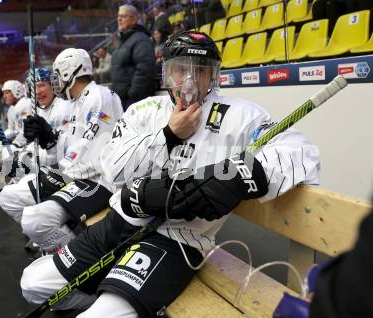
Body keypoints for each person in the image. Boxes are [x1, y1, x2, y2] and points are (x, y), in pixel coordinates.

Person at [19, 31, 320, 317]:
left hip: (176, 239)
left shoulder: (238, 114)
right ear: (166, 72)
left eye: (200, 70)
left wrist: (239, 176)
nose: (189, 80)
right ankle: (106, 298)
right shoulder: (144, 110)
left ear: (213, 75)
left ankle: (118, 302)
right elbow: (113, 168)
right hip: (119, 222)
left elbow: (298, 151)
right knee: (33, 283)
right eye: (180, 70)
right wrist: (168, 135)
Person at [0, 48, 123, 255]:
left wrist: (58, 170)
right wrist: (49, 137)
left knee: (31, 217)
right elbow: (73, 144)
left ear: (68, 73)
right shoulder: (76, 102)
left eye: (56, 76)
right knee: (10, 198)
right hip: (79, 174)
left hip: (100, 180)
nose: (55, 82)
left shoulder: (98, 96)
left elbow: (93, 150)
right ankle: (60, 246)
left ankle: (74, 255)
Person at [111, 4, 156, 110]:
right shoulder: (124, 40)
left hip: (134, 102)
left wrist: (132, 96)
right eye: (118, 16)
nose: (119, 19)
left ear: (134, 19)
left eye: (123, 16)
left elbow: (145, 69)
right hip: (122, 100)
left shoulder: (141, 39)